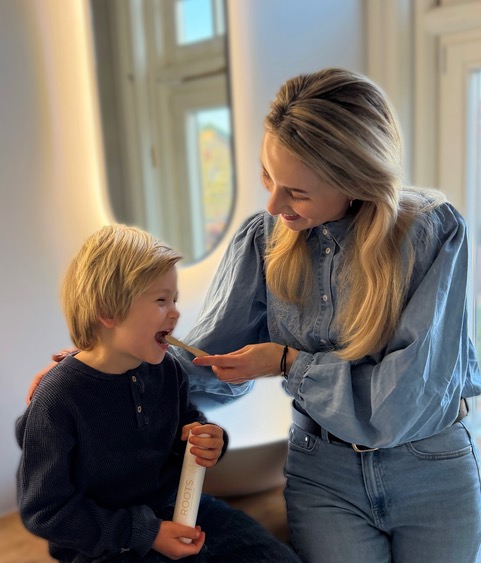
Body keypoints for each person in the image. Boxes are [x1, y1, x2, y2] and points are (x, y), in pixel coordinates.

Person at [27, 68, 481, 562]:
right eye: (268, 175)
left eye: (298, 192)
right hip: (322, 473)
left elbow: (403, 403)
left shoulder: (430, 233)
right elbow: (207, 363)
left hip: (432, 467)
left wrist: (288, 363)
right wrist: (106, 363)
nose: (273, 203)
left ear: (357, 180)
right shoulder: (265, 237)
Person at [16, 224, 300, 562]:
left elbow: (186, 427)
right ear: (108, 310)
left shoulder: (168, 370)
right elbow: (45, 512)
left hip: (181, 507)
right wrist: (146, 533)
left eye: (175, 299)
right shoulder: (58, 400)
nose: (176, 312)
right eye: (161, 300)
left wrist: (209, 441)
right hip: (107, 542)